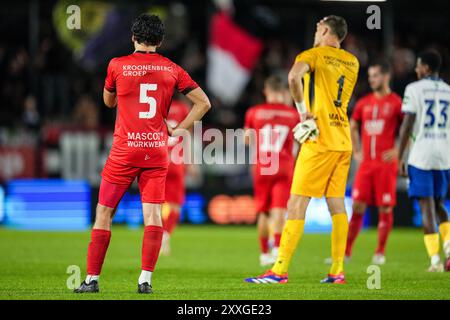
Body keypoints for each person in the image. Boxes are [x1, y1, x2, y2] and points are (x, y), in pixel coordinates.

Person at [75, 13, 211, 294]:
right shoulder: (171, 69)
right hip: (156, 151)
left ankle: (91, 280)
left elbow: (108, 102)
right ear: (160, 41)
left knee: (103, 212)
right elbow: (203, 103)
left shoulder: (117, 65)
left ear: (133, 38)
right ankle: (145, 280)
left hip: (124, 151)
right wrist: (178, 130)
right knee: (153, 216)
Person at [245, 15, 359, 284]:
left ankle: (279, 270)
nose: (316, 31)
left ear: (326, 30)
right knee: (337, 204)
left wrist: (302, 113)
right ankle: (337, 271)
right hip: (342, 138)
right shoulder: (353, 61)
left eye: (319, 27)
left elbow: (294, 76)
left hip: (318, 138)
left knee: (296, 203)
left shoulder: (313, 55)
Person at [337, 61, 403, 265]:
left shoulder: (396, 102)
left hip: (385, 164)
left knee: (385, 208)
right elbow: (353, 124)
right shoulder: (364, 103)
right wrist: (356, 149)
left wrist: (398, 151)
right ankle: (346, 252)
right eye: (370, 76)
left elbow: (409, 128)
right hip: (366, 164)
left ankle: (380, 252)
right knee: (357, 206)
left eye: (375, 75)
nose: (371, 79)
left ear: (385, 76)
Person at [398, 50, 450, 272]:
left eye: (418, 66)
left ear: (426, 68)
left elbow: (407, 123)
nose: (416, 69)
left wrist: (401, 155)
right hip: (444, 154)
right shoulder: (448, 90)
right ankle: (449, 248)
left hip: (421, 154)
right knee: (439, 204)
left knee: (426, 206)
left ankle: (435, 262)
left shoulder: (414, 89)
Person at [244, 75, 300, 266]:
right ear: (283, 92)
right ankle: (277, 247)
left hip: (262, 165)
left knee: (263, 212)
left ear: (266, 91)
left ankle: (263, 253)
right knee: (279, 210)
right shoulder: (293, 114)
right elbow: (301, 141)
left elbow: (246, 139)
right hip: (284, 165)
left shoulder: (254, 112)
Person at [160, 98, 193, 256]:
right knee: (175, 205)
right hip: (177, 162)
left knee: (156, 204)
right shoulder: (183, 108)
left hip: (158, 160)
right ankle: (165, 233)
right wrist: (190, 161)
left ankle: (157, 235)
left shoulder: (157, 104)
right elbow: (186, 135)